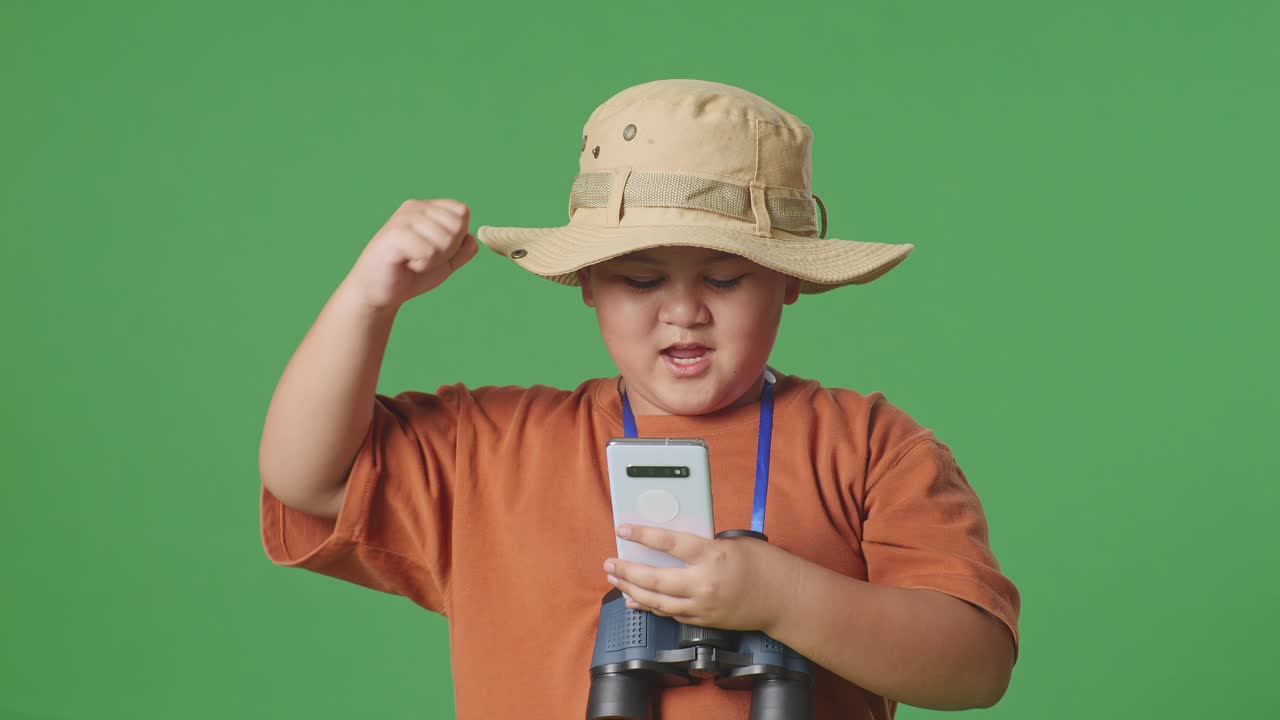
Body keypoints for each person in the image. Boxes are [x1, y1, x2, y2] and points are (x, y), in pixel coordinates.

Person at [258, 78, 1020, 719]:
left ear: (789, 280)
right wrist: (367, 300)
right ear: (585, 282)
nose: (684, 310)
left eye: (725, 278)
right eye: (642, 278)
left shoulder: (869, 446)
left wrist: (781, 599)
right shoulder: (491, 447)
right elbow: (308, 478)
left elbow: (974, 665)